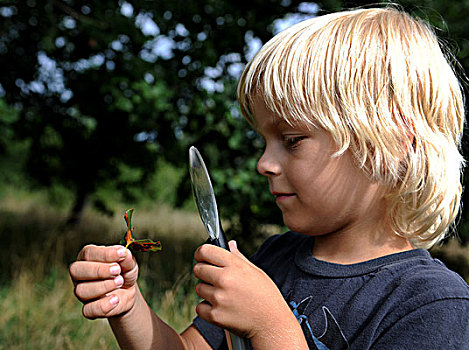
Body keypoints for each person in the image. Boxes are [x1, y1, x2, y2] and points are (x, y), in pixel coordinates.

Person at [69, 7, 469, 349]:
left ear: (390, 145)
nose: (264, 164)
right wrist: (126, 306)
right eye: (264, 141)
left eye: (292, 140)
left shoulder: (434, 305)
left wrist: (271, 327)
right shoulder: (275, 259)